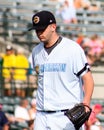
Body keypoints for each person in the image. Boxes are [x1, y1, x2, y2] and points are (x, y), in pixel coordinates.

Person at [28, 10, 94, 130]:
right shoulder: (36, 52)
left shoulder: (72, 49)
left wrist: (86, 104)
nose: (39, 33)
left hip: (66, 115)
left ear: (53, 27)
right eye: (37, 30)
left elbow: (88, 78)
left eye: (42, 29)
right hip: (41, 114)